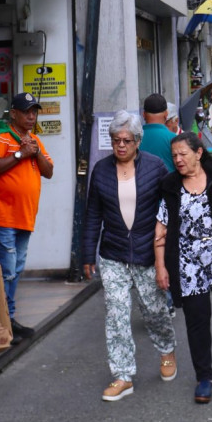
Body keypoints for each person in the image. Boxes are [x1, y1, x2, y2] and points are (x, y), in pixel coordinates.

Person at [82, 110, 176, 402]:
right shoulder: (101, 170)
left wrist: (167, 252)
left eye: (126, 140)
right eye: (115, 140)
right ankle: (123, 375)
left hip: (148, 254)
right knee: (117, 313)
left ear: (138, 141)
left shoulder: (155, 167)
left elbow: (168, 208)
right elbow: (93, 214)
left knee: (154, 310)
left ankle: (166, 349)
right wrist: (87, 253)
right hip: (113, 254)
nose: (120, 146)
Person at [155, 132, 212, 404]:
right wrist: (161, 267)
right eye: (174, 156)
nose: (178, 160)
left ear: (198, 153)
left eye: (183, 154)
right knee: (197, 322)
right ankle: (204, 377)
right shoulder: (170, 186)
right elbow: (160, 229)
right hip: (187, 263)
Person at [0, 92, 54, 343]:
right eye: (26, 111)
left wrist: (34, 153)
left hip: (25, 218)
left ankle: (8, 321)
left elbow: (49, 172)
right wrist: (19, 155)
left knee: (16, 270)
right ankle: (3, 323)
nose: (31, 116)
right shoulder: (4, 139)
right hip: (2, 217)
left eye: (34, 111)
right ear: (13, 113)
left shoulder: (35, 141)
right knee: (7, 271)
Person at [140, 92, 176, 172]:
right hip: (167, 183)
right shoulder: (174, 139)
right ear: (166, 114)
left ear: (143, 114)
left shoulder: (133, 139)